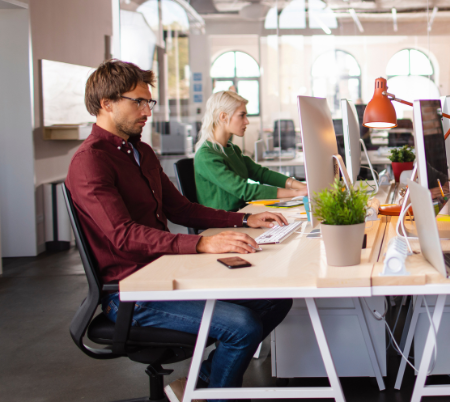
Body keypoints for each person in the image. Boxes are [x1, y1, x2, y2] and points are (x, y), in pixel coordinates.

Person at [65, 60, 293, 402]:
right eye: (138, 102)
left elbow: (181, 208)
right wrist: (202, 243)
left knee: (276, 301)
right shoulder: (90, 161)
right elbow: (123, 236)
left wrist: (244, 220)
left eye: (149, 102)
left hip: (166, 274)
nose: (147, 111)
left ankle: (200, 385)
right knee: (242, 326)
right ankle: (213, 395)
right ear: (107, 103)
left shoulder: (140, 151)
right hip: (132, 292)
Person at [194, 90, 307, 212]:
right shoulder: (206, 156)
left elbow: (261, 173)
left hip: (242, 214)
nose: (246, 121)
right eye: (242, 115)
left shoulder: (231, 149)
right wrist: (296, 193)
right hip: (223, 224)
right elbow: (245, 190)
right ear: (223, 117)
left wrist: (304, 187)